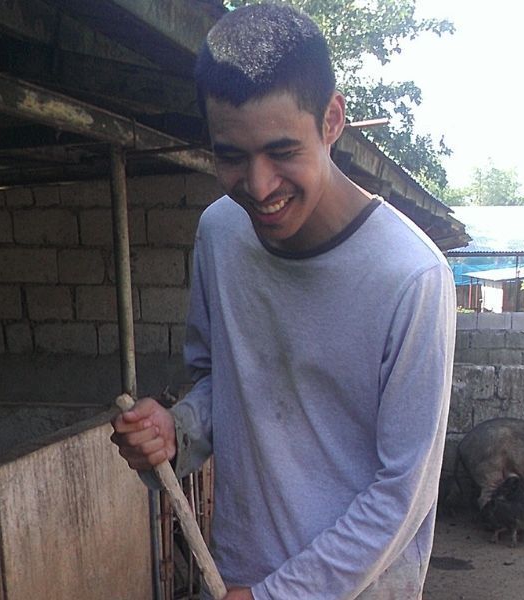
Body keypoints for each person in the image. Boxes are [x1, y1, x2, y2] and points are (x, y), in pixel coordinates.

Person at [110, 4, 456, 599]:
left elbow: (405, 488)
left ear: (332, 120)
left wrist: (282, 596)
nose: (259, 186)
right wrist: (176, 429)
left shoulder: (413, 277)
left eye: (282, 151)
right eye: (231, 156)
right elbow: (224, 382)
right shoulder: (220, 234)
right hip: (239, 575)